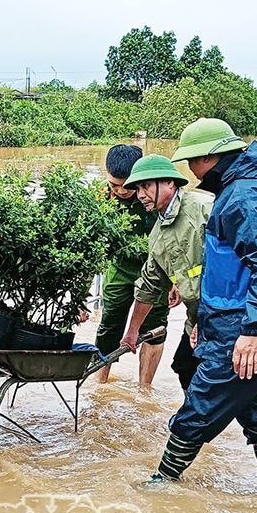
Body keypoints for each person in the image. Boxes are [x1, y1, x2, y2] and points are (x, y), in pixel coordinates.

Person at [149, 118, 257, 506]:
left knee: (199, 407)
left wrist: (252, 331)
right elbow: (229, 272)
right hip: (244, 326)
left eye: (191, 161)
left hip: (247, 333)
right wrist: (203, 321)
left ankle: (160, 487)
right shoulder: (250, 187)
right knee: (256, 410)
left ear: (209, 157)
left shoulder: (243, 197)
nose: (189, 170)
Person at [119, 154, 212, 390]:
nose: (140, 195)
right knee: (185, 367)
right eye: (138, 188)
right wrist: (132, 332)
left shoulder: (204, 209)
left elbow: (234, 266)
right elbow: (149, 285)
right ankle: (196, 423)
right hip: (198, 319)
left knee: (234, 390)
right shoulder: (158, 233)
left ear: (170, 183)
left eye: (146, 186)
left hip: (224, 316)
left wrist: (211, 318)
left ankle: (194, 424)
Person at [94, 145, 172, 385]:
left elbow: (174, 239)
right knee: (109, 325)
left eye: (125, 185)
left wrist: (176, 280)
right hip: (120, 270)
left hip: (157, 270)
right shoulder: (101, 196)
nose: (118, 191)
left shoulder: (155, 197)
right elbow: (91, 243)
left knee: (155, 328)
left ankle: (144, 390)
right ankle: (100, 386)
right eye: (113, 184)